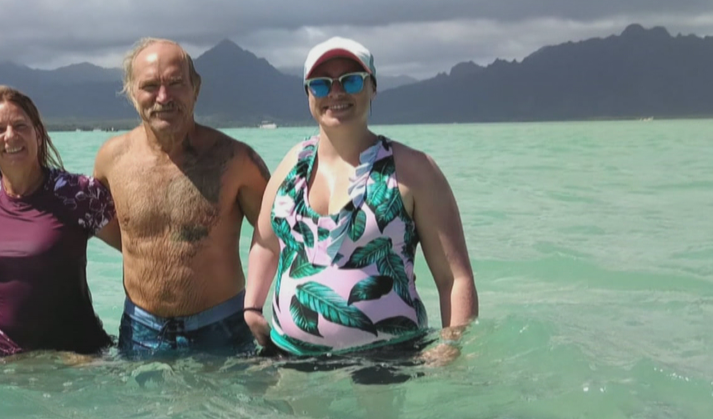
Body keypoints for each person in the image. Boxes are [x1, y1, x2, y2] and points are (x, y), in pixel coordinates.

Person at [244, 37, 478, 379]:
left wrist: (453, 346)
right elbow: (266, 242)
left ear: (373, 89)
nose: (336, 93)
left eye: (351, 80)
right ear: (308, 95)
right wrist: (252, 305)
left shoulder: (413, 170)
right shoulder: (292, 164)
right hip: (290, 355)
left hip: (387, 359)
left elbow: (454, 277)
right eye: (321, 84)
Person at [93, 38, 271, 356]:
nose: (164, 97)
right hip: (140, 331)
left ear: (196, 88)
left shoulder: (236, 160)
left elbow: (277, 238)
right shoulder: (111, 159)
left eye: (176, 83)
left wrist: (262, 309)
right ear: (131, 92)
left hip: (222, 328)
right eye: (150, 86)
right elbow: (110, 230)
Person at [0, 85, 119, 356]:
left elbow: (137, 250)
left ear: (38, 134)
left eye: (20, 125)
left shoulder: (77, 194)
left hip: (75, 358)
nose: (11, 136)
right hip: (4, 361)